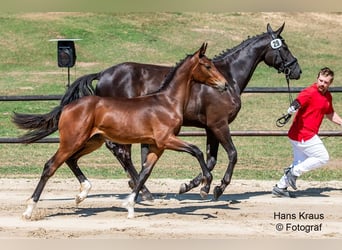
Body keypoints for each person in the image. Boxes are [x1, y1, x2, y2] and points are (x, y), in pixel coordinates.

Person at [272, 67, 342, 198]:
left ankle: (280, 187)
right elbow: (299, 100)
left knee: (300, 162)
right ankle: (293, 172)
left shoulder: (327, 96)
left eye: (325, 82)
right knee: (323, 157)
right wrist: (293, 107)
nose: (322, 84)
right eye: (320, 80)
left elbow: (330, 113)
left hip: (302, 134)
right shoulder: (310, 92)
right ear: (317, 78)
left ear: (330, 83)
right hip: (303, 134)